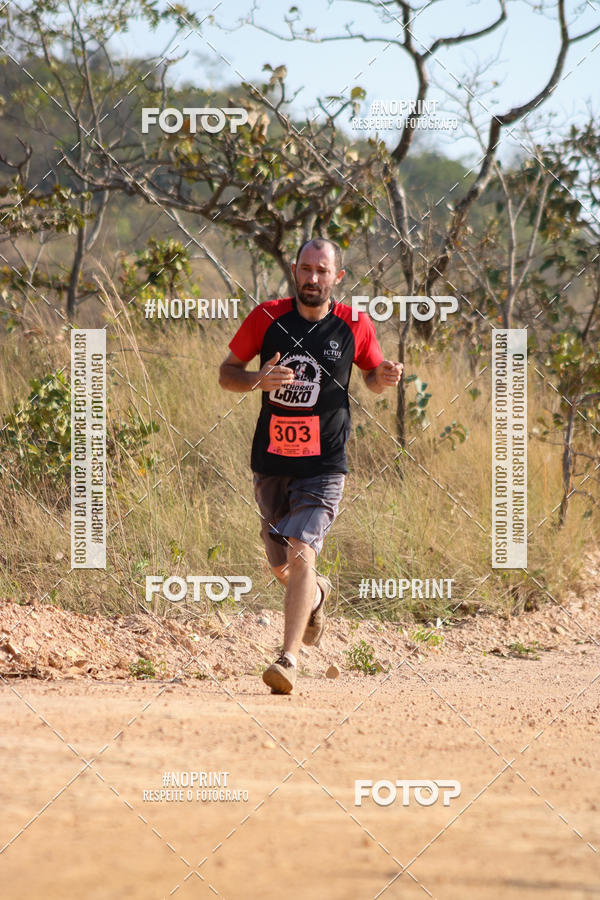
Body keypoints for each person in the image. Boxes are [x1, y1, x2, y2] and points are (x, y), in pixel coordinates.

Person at [218, 238, 403, 694]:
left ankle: (287, 659)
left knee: (302, 550)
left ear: (337, 277)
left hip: (325, 463)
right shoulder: (266, 318)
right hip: (272, 463)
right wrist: (257, 380)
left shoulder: (354, 324)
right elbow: (227, 372)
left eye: (323, 270)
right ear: (295, 271)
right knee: (283, 564)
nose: (313, 278)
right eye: (306, 268)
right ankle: (317, 594)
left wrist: (384, 376)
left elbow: (373, 377)